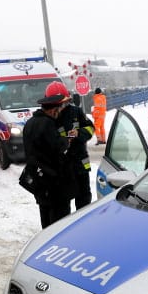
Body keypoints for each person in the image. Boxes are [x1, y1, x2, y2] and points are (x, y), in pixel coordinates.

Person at [22, 81, 77, 228]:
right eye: (61, 107)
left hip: (40, 187)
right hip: (55, 189)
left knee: (46, 227)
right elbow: (58, 152)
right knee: (59, 230)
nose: (62, 110)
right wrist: (67, 141)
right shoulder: (48, 125)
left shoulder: (30, 124)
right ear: (54, 109)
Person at [56, 96, 95, 210]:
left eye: (64, 103)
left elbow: (90, 128)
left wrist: (79, 133)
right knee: (62, 202)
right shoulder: (52, 116)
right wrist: (63, 141)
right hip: (62, 165)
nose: (62, 106)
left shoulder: (76, 112)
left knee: (84, 198)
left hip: (80, 163)